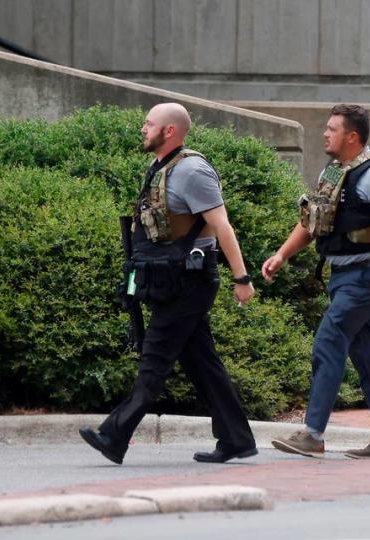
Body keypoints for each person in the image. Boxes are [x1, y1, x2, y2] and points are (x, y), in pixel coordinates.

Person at [79, 102, 258, 465]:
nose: (143, 129)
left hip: (190, 282)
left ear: (170, 131)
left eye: (149, 124)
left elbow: (222, 226)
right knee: (203, 364)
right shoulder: (158, 167)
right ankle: (237, 439)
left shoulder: (193, 170)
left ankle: (115, 434)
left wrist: (242, 278)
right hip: (167, 280)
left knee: (155, 357)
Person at [262, 104, 370, 459]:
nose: (324, 134)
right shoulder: (333, 172)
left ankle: (313, 433)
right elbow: (312, 222)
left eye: (332, 129)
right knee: (367, 354)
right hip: (344, 276)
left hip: (369, 276)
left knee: (329, 340)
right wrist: (282, 255)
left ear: (352, 136)